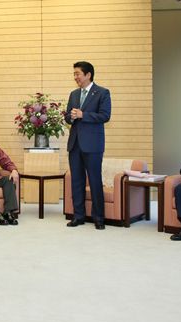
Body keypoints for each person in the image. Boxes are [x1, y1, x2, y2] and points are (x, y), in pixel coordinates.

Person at [65, 61, 111, 230]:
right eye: (74, 74)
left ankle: (99, 218)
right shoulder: (73, 94)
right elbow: (67, 117)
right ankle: (79, 216)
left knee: (94, 180)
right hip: (75, 144)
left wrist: (84, 114)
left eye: (78, 73)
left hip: (93, 145)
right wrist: (70, 117)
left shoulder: (102, 93)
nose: (75, 77)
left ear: (88, 74)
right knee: (76, 181)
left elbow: (105, 116)